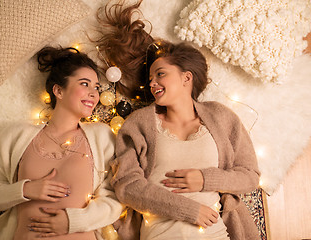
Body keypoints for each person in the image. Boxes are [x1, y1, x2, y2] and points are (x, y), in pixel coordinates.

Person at [95, 1, 261, 240]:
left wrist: (206, 179)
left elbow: (249, 176)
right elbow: (126, 185)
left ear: (186, 77)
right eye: (150, 78)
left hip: (216, 234)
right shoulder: (139, 124)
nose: (152, 83)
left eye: (160, 74)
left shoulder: (221, 117)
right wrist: (188, 210)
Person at [0, 46, 123, 240]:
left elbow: (115, 200)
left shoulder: (102, 136)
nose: (93, 94)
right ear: (58, 91)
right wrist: (26, 189)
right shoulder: (16, 136)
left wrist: (72, 221)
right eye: (85, 84)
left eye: (96, 88)